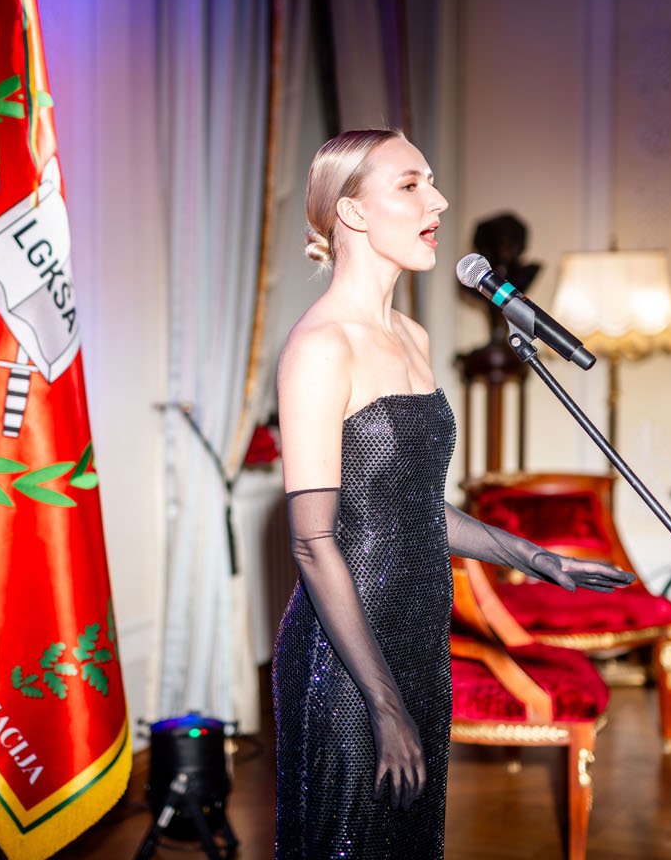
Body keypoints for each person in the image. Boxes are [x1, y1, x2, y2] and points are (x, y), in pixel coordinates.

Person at [272, 129, 635, 859]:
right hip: (347, 664)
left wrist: (539, 559)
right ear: (353, 212)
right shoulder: (319, 348)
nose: (437, 201)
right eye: (411, 185)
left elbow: (410, 508)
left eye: (431, 181)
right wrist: (383, 705)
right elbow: (312, 542)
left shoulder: (413, 336)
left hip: (419, 641)